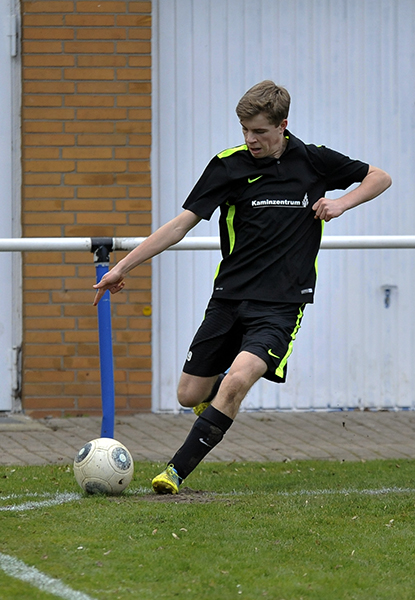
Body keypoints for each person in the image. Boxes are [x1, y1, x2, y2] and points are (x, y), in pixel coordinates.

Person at [93, 80, 392, 494]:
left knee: (238, 380)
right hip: (229, 298)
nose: (251, 139)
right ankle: (218, 397)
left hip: (282, 304)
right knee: (188, 394)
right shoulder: (228, 166)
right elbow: (179, 226)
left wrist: (342, 202)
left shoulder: (314, 160)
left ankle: (174, 472)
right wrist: (122, 267)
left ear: (282, 126)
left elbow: (380, 177)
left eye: (260, 131)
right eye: (245, 130)